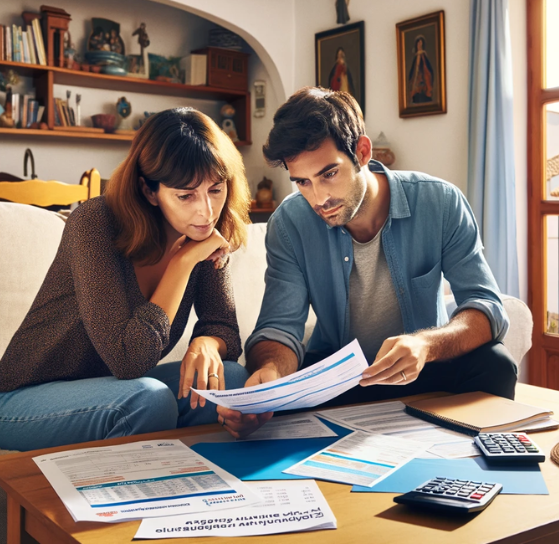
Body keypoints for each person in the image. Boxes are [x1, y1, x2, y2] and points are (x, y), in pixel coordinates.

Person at [217, 87, 517, 439]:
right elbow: (279, 328)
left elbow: (487, 307)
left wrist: (426, 345)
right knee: (276, 395)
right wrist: (271, 373)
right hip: (341, 379)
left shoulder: (441, 202)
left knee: (496, 363)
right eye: (302, 182)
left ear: (361, 152)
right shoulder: (291, 223)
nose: (319, 198)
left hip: (424, 370)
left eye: (329, 174)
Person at [0, 108, 251, 451]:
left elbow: (225, 330)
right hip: (17, 401)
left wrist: (207, 344)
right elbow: (127, 360)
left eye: (216, 190)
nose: (207, 211)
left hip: (111, 388)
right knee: (148, 400)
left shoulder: (207, 231)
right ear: (150, 191)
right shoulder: (95, 223)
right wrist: (181, 263)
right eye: (186, 195)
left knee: (232, 382)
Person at [408, 35, 434, 104]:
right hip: (416, 84)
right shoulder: (416, 57)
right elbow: (412, 72)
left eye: (421, 43)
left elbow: (429, 70)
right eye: (418, 43)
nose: (419, 45)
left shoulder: (424, 56)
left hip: (424, 83)